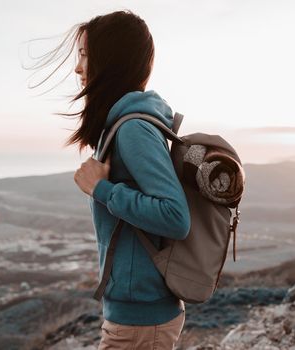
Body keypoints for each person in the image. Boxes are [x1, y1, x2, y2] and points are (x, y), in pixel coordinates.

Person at [25, 9, 191, 350]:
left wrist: (102, 189)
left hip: (141, 321)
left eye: (85, 55)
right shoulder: (127, 124)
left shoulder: (133, 129)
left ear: (109, 60)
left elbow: (175, 217)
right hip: (135, 316)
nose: (77, 67)